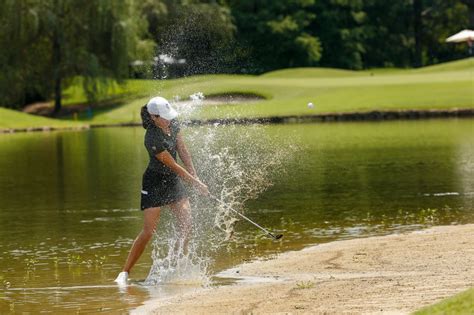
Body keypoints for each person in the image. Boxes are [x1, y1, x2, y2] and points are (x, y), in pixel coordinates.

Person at [114, 96, 209, 285]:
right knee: (149, 231)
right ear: (154, 117)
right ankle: (124, 272)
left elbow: (182, 150)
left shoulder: (173, 123)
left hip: (173, 181)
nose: (168, 119)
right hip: (154, 183)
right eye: (163, 117)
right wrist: (195, 183)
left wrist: (195, 175)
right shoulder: (152, 138)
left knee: (186, 223)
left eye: (168, 115)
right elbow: (173, 165)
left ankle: (178, 265)